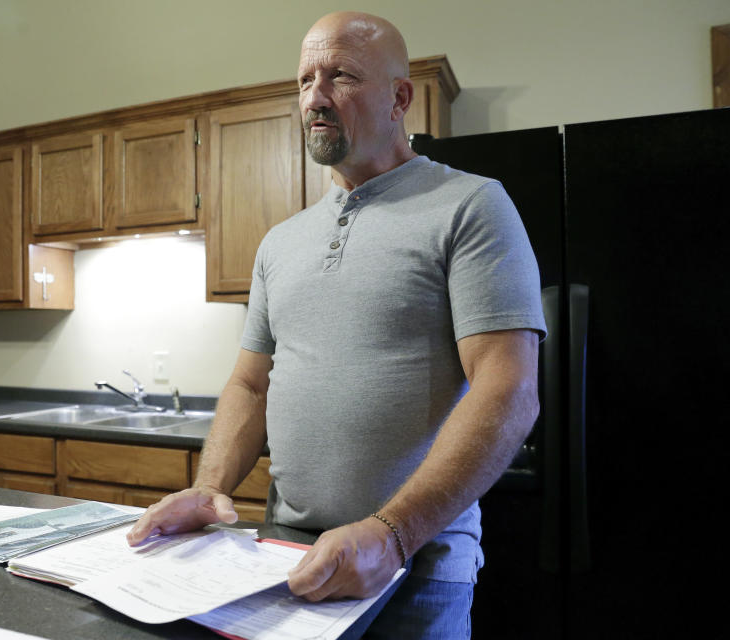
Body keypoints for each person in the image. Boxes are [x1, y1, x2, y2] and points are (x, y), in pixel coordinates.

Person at [127, 11, 546, 638]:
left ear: (400, 97)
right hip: (282, 557)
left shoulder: (471, 206)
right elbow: (250, 386)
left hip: (415, 563)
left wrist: (392, 534)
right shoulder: (280, 242)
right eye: (303, 81)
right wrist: (208, 487)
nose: (314, 99)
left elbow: (507, 389)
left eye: (340, 76)